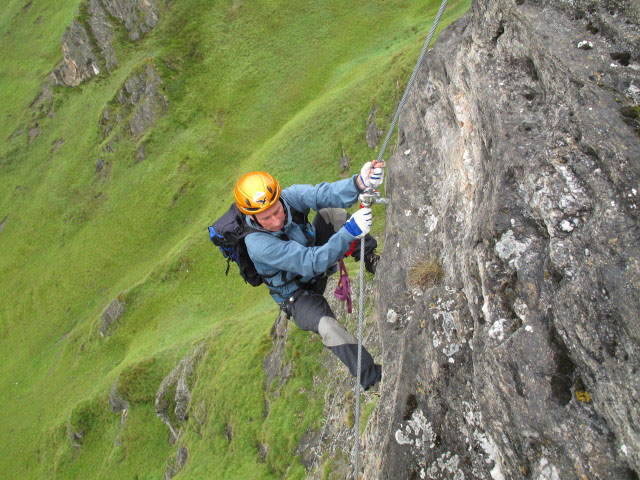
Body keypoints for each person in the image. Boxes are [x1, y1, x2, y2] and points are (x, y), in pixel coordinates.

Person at [234, 162, 384, 391]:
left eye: (277, 211)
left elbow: (322, 194)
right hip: (297, 296)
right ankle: (373, 380)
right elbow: (310, 262)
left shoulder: (289, 197)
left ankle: (370, 258)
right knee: (328, 328)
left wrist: (358, 184)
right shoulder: (257, 244)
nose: (276, 221)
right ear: (252, 217)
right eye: (266, 219)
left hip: (315, 258)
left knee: (332, 215)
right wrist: (350, 232)